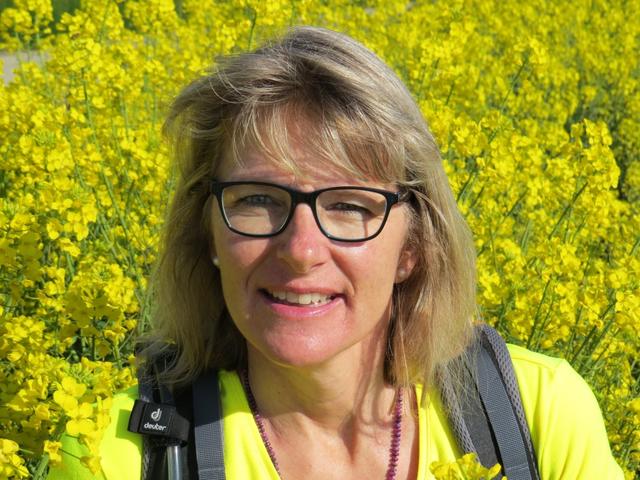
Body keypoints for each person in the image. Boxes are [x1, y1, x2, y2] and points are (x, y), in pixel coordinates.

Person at [49, 26, 623, 480]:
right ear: (208, 233)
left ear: (412, 247)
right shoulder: (117, 452)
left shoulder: (536, 416)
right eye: (257, 200)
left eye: (350, 206)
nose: (301, 250)